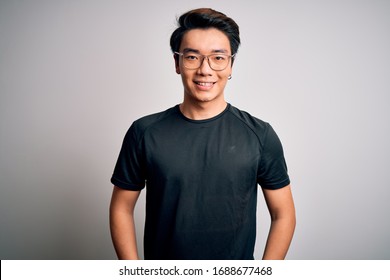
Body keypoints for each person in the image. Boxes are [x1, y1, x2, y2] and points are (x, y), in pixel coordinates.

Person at [109, 8, 296, 260]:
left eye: (218, 58)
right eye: (192, 57)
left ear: (230, 64)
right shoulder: (144, 132)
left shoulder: (260, 134)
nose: (205, 70)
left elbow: (283, 214)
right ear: (177, 63)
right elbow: (121, 207)